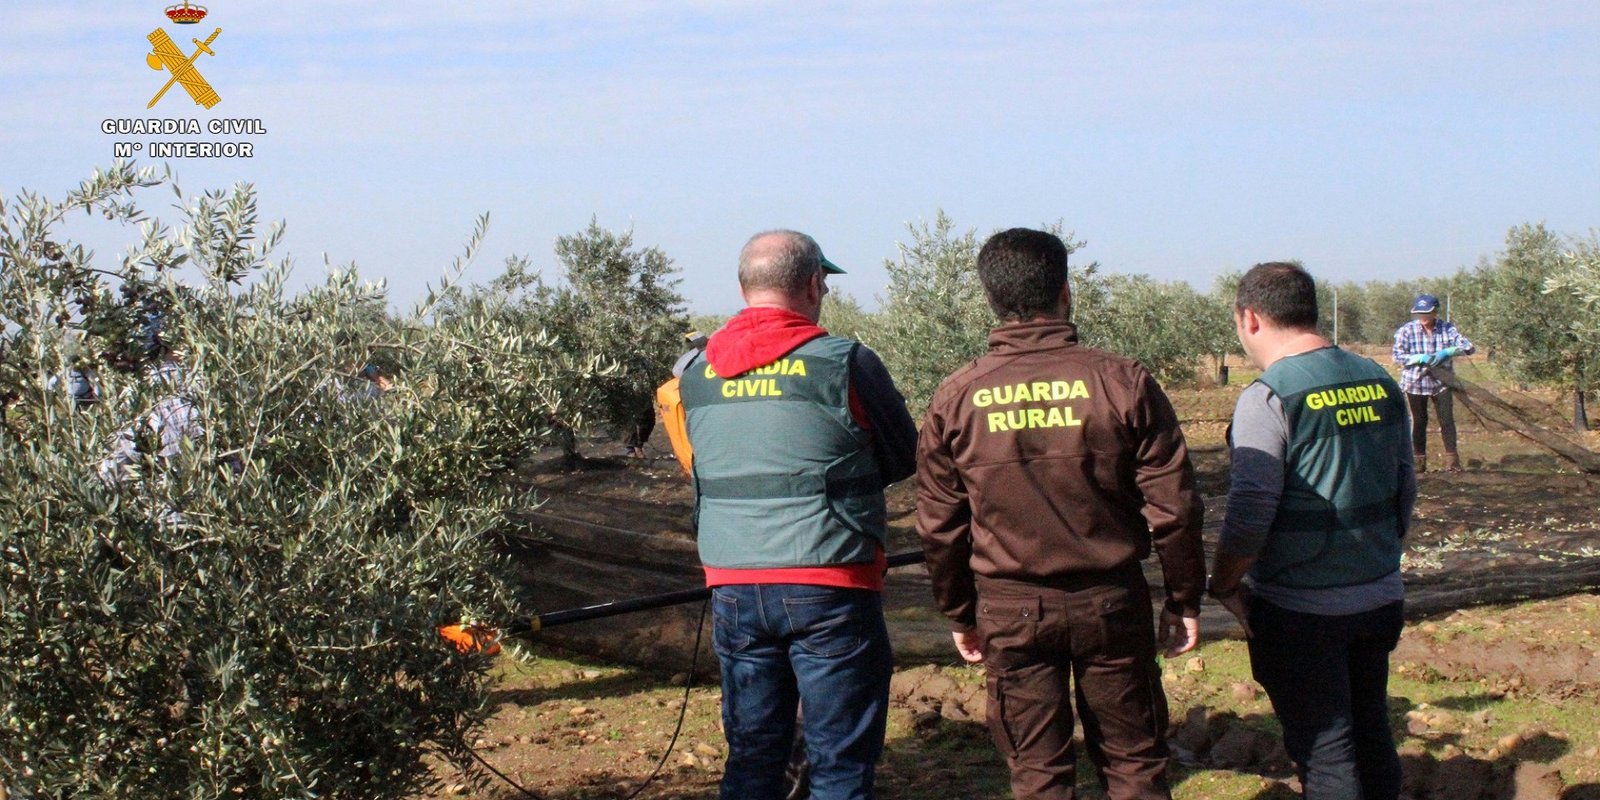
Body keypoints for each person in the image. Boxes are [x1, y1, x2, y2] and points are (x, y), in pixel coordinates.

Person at [916, 228, 1205, 800]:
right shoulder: (1123, 382)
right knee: (1135, 765)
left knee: (1038, 775)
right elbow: (1174, 508)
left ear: (992, 300)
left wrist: (960, 612)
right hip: (1112, 603)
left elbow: (939, 526)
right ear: (1066, 293)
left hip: (1010, 607)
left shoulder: (957, 396)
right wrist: (1183, 599)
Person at [676, 230, 917, 800]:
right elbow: (904, 454)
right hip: (830, 578)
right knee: (838, 762)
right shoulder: (845, 362)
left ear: (743, 288)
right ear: (813, 285)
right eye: (825, 283)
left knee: (753, 753)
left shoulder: (695, 374)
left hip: (733, 580)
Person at [1210, 262, 1415, 800]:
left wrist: (1225, 582)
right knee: (1372, 734)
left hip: (1302, 610)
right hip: (1379, 597)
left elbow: (1251, 511)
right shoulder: (1379, 380)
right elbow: (1405, 487)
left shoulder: (1269, 397)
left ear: (1250, 318)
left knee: (1326, 756)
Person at [1391, 293, 1475, 472]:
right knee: (1419, 421)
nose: (1423, 317)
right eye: (1420, 314)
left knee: (1446, 420)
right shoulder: (1406, 330)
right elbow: (1397, 356)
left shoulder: (1447, 329)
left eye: (1427, 313)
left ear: (1435, 312)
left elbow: (1469, 347)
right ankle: (1419, 464)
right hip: (1415, 382)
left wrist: (1449, 352)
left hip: (1442, 382)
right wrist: (1418, 358)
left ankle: (1452, 463)